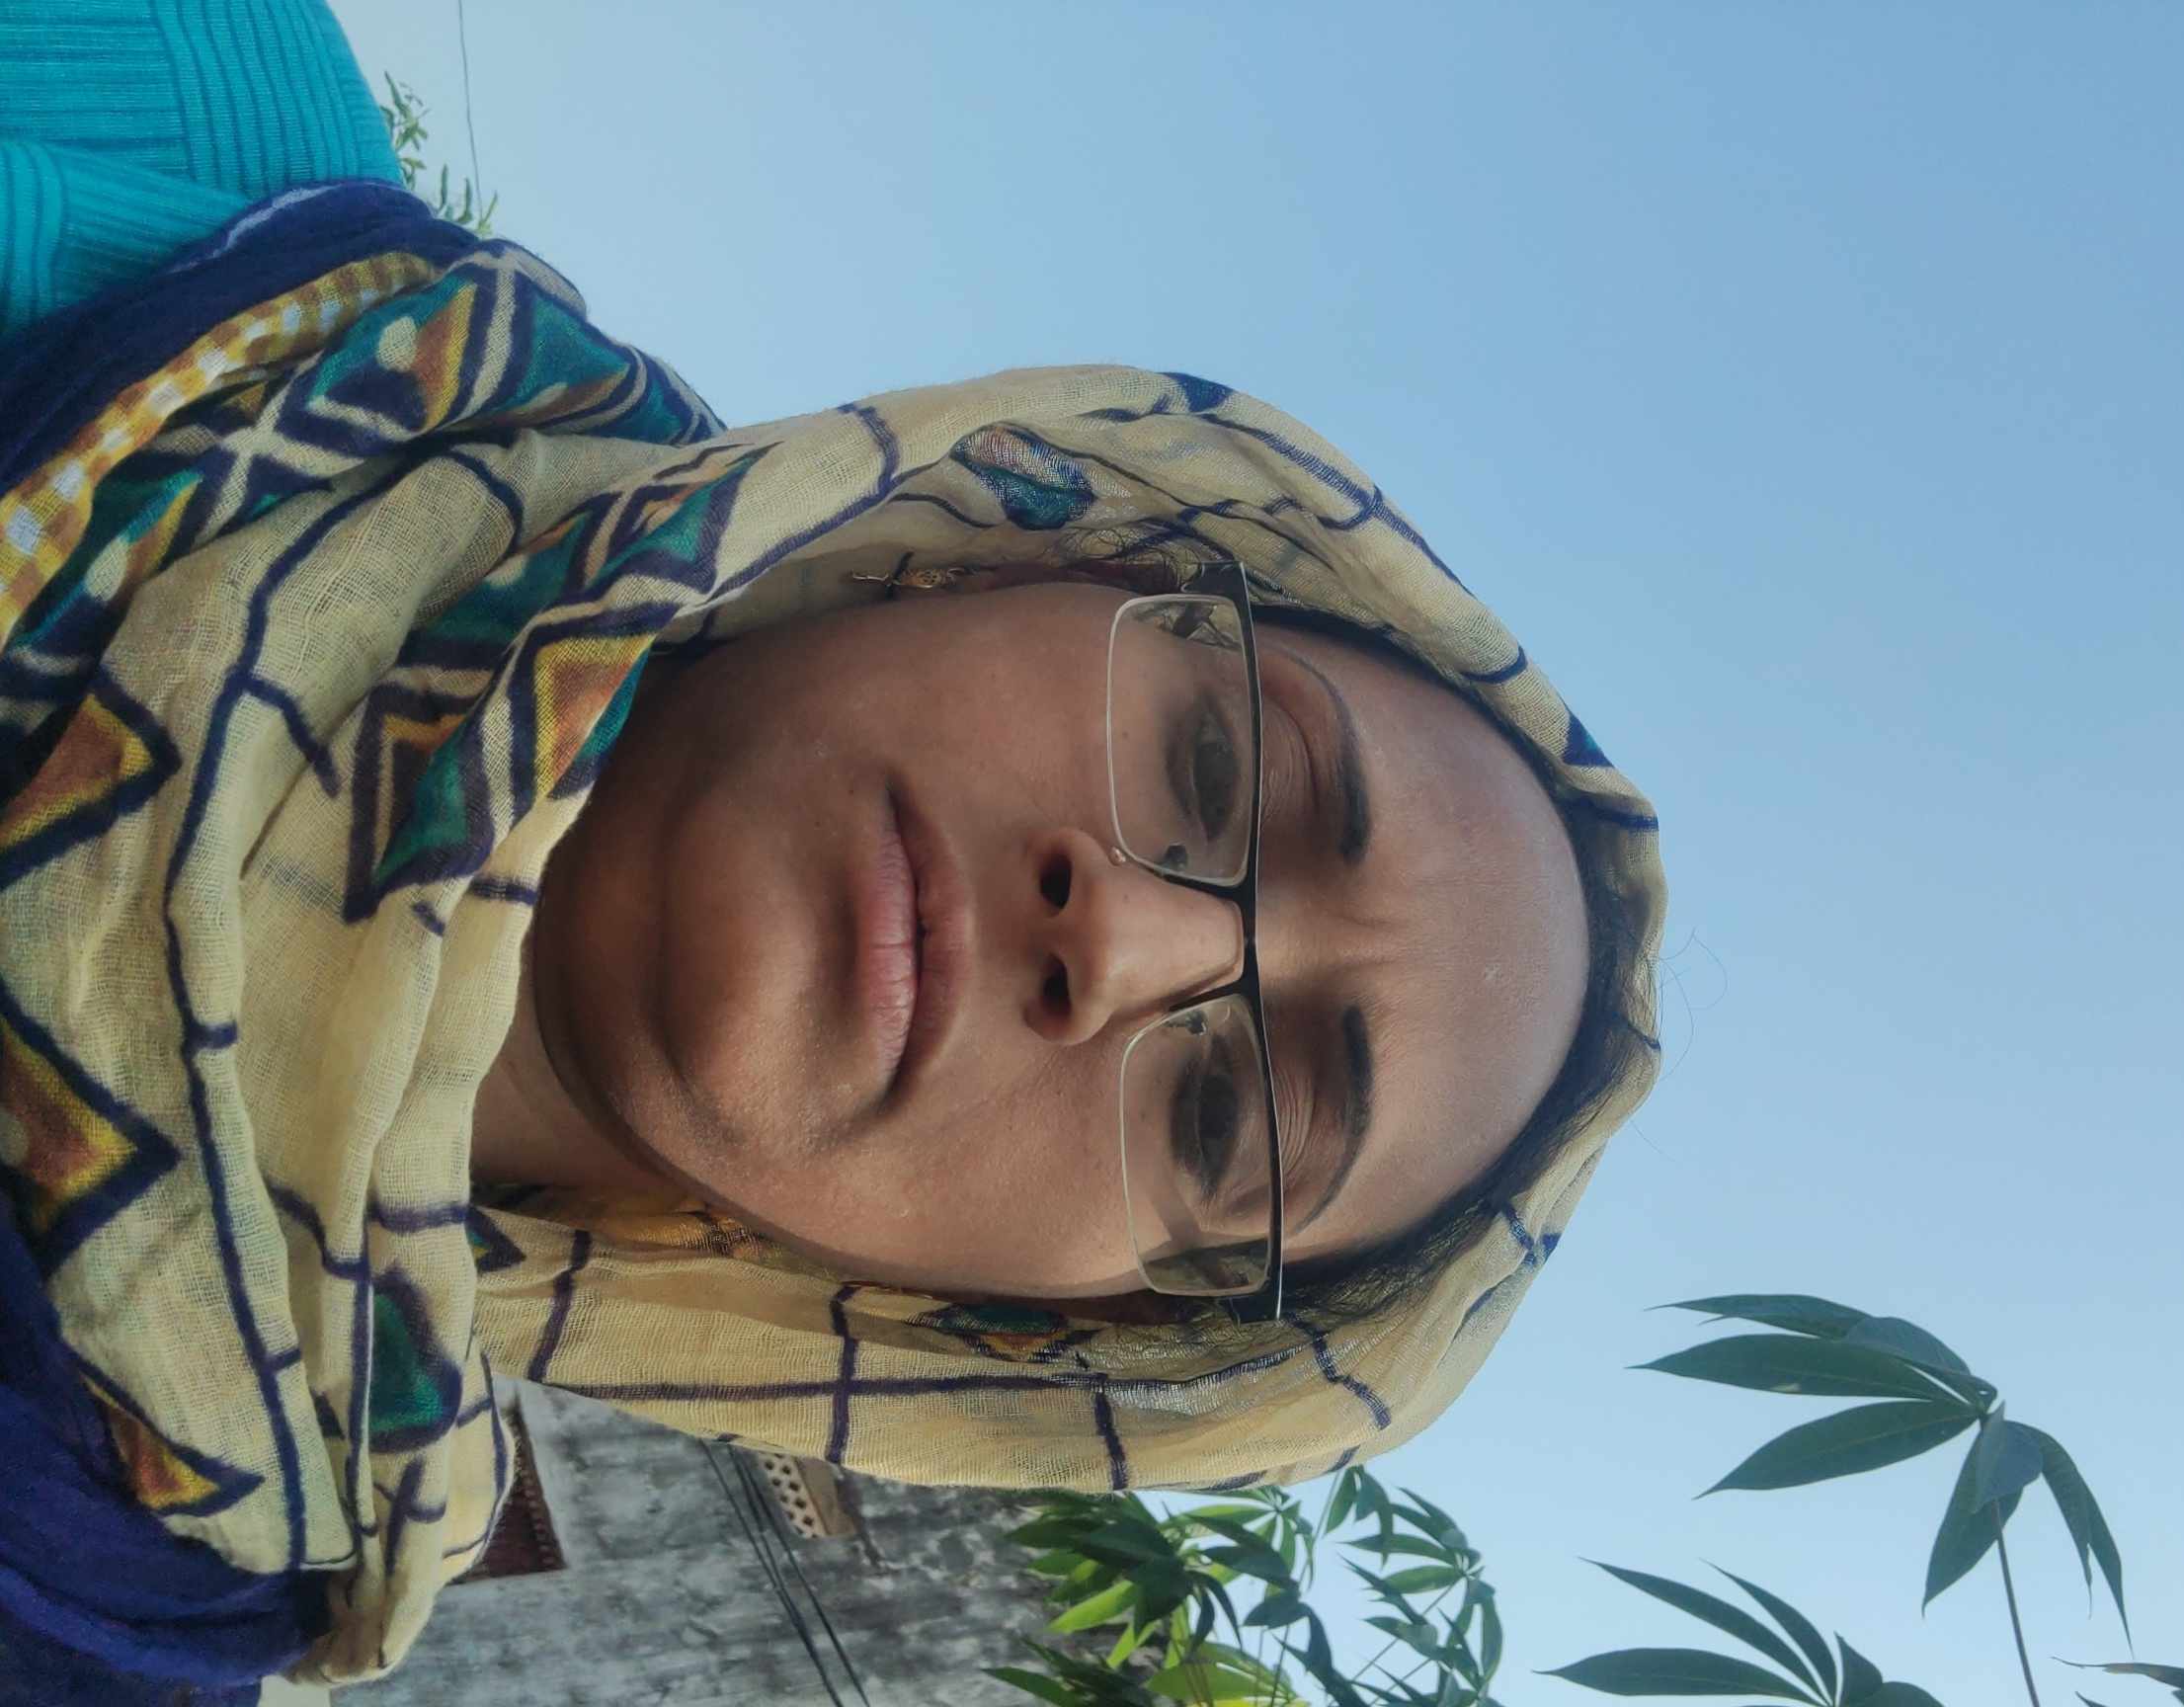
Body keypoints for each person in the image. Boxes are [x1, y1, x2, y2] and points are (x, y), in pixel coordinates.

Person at [0, 2, 1666, 1696]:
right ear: (1016, 560)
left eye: (1221, 1117)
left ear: (1027, 1326)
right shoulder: (167, 102)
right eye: (1219, 761)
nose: (1122, 945)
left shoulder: (107, 1618)